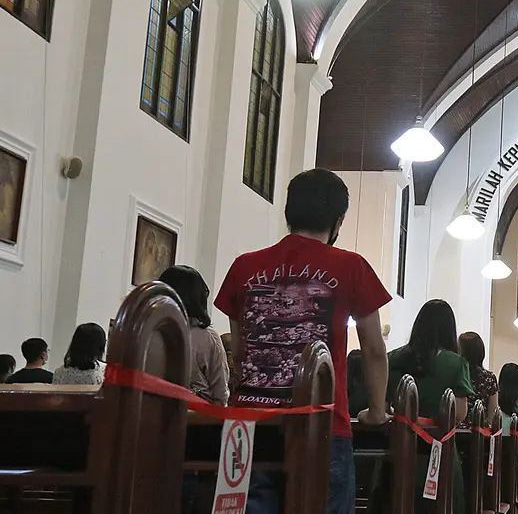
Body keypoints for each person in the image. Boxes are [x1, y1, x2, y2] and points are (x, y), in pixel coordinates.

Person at [215, 168, 391, 514]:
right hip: (321, 424)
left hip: (248, 426)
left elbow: (240, 348)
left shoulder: (244, 267)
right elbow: (373, 349)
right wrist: (377, 410)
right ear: (338, 221)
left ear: (288, 212)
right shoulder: (351, 266)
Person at [386, 299, 473, 513]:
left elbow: (383, 405)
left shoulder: (392, 358)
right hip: (438, 454)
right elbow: (460, 413)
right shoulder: (456, 362)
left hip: (396, 452)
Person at [157, 266, 229, 405]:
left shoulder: (148, 331)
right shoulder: (208, 338)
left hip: (153, 415)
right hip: (196, 418)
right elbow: (220, 394)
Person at [458, 332, 498, 426]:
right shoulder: (489, 378)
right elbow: (492, 415)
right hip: (480, 432)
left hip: (455, 432)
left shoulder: (457, 375)